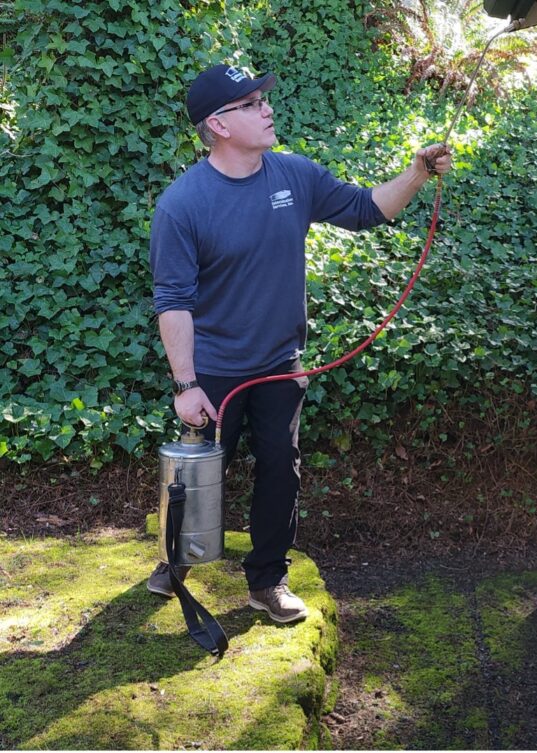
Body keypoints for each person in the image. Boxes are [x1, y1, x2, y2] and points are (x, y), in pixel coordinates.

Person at [146, 63, 452, 622]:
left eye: (264, 98)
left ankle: (266, 581)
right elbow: (174, 302)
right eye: (251, 103)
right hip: (214, 371)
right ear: (218, 123)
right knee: (199, 472)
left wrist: (417, 175)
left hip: (281, 366)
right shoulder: (183, 205)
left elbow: (366, 210)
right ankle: (177, 560)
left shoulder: (294, 176)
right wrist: (186, 384)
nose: (266, 108)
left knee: (281, 471)